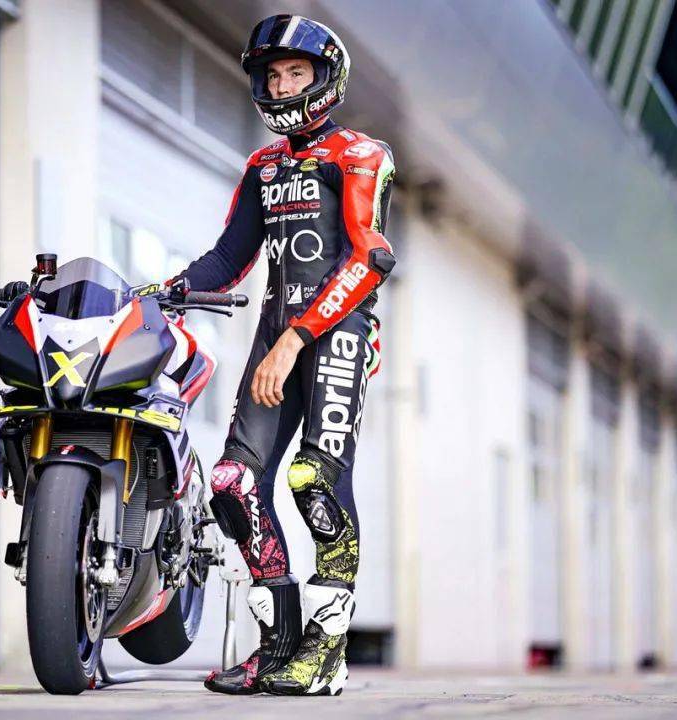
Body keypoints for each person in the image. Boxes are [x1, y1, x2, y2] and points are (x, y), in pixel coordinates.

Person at [166, 14, 396, 696]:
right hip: (277, 338)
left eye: (297, 72)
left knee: (313, 480)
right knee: (234, 483)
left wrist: (297, 338)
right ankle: (279, 646)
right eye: (274, 75)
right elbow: (227, 259)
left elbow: (371, 259)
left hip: (337, 335)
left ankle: (327, 654)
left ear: (327, 79)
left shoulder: (361, 154)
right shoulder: (262, 167)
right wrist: (161, 293)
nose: (284, 85)